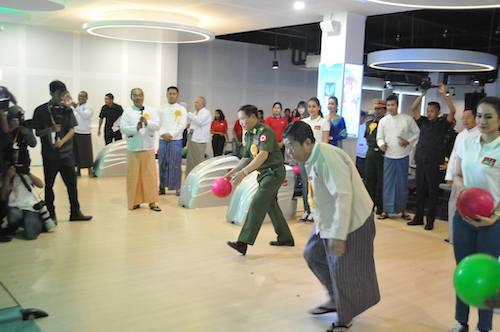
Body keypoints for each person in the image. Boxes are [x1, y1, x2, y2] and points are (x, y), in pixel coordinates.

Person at [283, 121, 380, 332]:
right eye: (287, 146)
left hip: (352, 220)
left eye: (292, 146)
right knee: (313, 254)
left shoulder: (328, 157)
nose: (288, 151)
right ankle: (336, 298)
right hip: (328, 219)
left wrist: (338, 235)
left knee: (343, 269)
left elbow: (343, 197)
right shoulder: (311, 158)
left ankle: (344, 320)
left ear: (307, 142)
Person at [450, 96, 500, 332]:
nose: (482, 120)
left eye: (488, 116)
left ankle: (485, 327)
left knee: (487, 276)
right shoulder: (467, 141)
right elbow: (458, 174)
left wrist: (496, 215)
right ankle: (461, 321)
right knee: (463, 270)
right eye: (479, 115)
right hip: (463, 218)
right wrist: (462, 189)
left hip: (492, 221)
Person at [226, 104, 294, 256]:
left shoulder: (265, 132)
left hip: (274, 173)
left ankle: (243, 243)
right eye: (239, 119)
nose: (241, 122)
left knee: (257, 202)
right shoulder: (248, 134)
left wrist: (244, 172)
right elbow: (246, 157)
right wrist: (233, 171)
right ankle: (285, 237)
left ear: (253, 117)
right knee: (271, 206)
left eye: (243, 118)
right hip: (263, 174)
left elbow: (262, 155)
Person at [32, 80, 92, 222]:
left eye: (64, 93)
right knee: (49, 186)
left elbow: (72, 129)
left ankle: (75, 213)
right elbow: (38, 133)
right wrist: (50, 130)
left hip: (67, 154)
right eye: (59, 93)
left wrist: (62, 141)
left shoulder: (67, 110)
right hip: (49, 155)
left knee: (72, 185)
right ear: (51, 93)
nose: (62, 96)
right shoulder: (40, 110)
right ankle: (51, 215)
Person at [407, 84, 456, 230]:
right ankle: (418, 218)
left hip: (434, 162)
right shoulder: (424, 122)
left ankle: (430, 221)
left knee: (432, 192)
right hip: (421, 159)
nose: (429, 113)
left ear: (438, 112)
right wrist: (422, 94)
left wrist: (444, 94)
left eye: (432, 111)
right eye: (428, 111)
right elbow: (413, 109)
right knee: (420, 190)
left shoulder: (443, 123)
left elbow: (453, 110)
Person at [376, 94, 420, 220]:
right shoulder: (383, 121)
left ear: (397, 105)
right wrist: (381, 145)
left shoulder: (407, 119)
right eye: (388, 105)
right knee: (388, 184)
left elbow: (417, 133)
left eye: (392, 105)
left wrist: (408, 141)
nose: (390, 107)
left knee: (402, 184)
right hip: (388, 156)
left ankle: (403, 210)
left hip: (403, 156)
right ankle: (386, 210)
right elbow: (379, 137)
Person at [120, 88, 161, 212]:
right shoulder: (127, 112)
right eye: (135, 95)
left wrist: (147, 122)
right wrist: (135, 127)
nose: (138, 98)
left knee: (150, 177)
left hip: (148, 147)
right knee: (134, 177)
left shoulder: (151, 110)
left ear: (143, 96)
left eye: (140, 95)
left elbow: (158, 125)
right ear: (131, 97)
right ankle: (134, 202)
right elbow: (123, 128)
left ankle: (152, 202)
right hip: (134, 148)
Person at [444, 109, 480, 243]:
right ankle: (452, 236)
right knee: (453, 205)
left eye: (468, 118)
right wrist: (449, 176)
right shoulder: (460, 135)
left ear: (476, 118)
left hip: (472, 178)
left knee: (470, 208)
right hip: (457, 177)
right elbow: (454, 156)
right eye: (463, 118)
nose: (465, 120)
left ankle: (467, 238)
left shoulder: (481, 134)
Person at [300, 97, 330, 222]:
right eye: (309, 106)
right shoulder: (304, 122)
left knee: (316, 184)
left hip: (317, 157)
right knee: (305, 183)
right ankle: (306, 210)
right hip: (304, 157)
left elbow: (325, 141)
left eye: (314, 106)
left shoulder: (324, 122)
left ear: (318, 108)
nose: (311, 109)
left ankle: (315, 210)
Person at [158, 86, 187, 196]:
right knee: (162, 163)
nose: (171, 95)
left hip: (176, 140)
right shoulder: (161, 108)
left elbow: (182, 124)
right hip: (162, 139)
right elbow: (157, 123)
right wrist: (163, 133)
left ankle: (177, 188)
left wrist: (171, 134)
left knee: (175, 164)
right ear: (166, 94)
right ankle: (161, 187)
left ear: (177, 95)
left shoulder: (181, 109)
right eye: (170, 93)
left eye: (174, 93)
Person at [364, 100, 387, 218]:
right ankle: (369, 206)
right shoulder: (369, 123)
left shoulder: (387, 123)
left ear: (384, 110)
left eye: (380, 109)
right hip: (370, 153)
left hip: (382, 154)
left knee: (381, 182)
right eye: (376, 109)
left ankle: (381, 207)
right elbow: (367, 137)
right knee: (369, 181)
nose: (377, 111)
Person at [186, 96, 211, 175]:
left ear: (203, 104)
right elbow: (193, 123)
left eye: (197, 102)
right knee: (190, 159)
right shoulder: (195, 113)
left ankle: (197, 177)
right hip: (191, 137)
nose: (195, 104)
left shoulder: (206, 112)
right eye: (195, 102)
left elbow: (199, 121)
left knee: (197, 160)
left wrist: (188, 113)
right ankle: (189, 176)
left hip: (199, 140)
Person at [72, 91, 94, 176]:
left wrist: (76, 107)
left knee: (86, 152)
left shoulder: (89, 107)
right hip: (75, 132)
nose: (80, 98)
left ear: (86, 98)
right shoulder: (75, 107)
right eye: (79, 96)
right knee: (76, 152)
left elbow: (86, 116)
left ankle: (90, 169)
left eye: (82, 96)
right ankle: (77, 170)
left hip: (85, 132)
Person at [355, 111, 368, 178]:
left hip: (364, 154)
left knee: (363, 174)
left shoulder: (366, 127)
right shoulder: (355, 127)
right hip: (356, 153)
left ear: (363, 117)